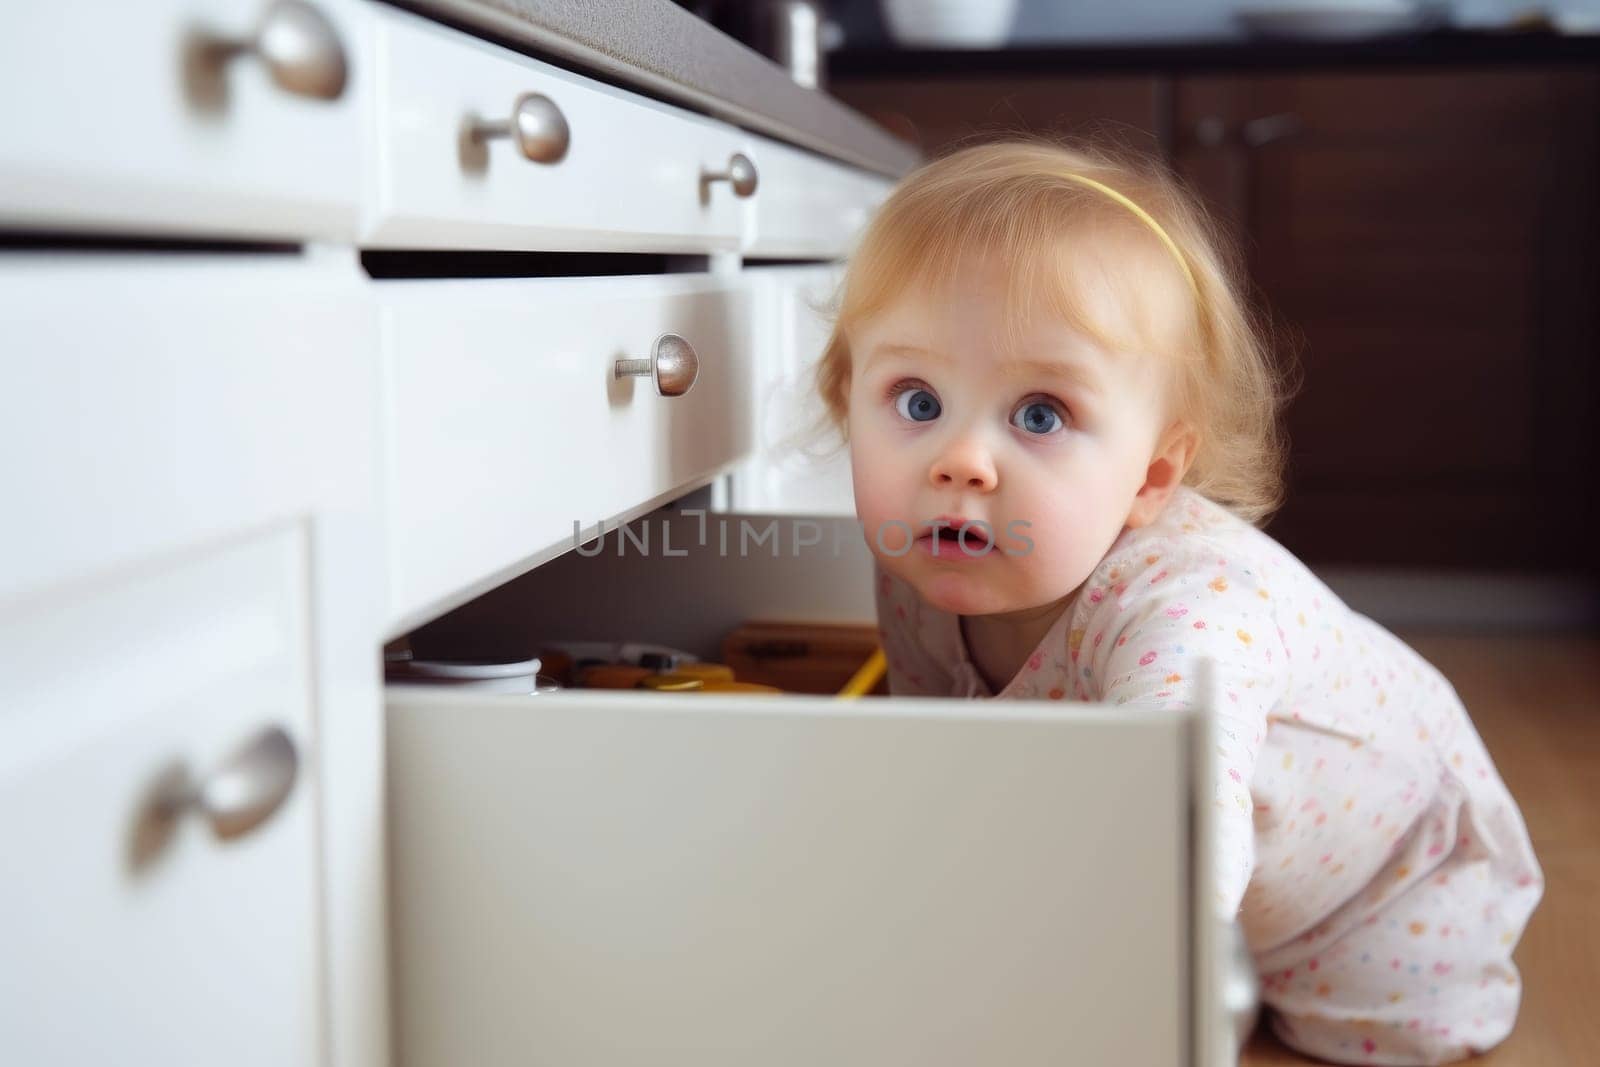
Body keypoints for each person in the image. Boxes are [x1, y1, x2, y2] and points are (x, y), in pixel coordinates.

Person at [813, 139, 1542, 1065]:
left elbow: (1180, 824)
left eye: (1040, 414)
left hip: (1389, 875)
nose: (959, 461)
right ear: (848, 399)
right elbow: (946, 748)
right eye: (916, 400)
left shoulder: (1188, 612)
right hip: (1237, 866)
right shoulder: (931, 555)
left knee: (1366, 1037)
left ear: (1153, 474)